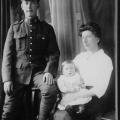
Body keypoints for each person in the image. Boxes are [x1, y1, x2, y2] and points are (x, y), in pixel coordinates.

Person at [1, 0, 60, 120]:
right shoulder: (14, 28)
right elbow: (7, 56)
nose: (29, 6)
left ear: (37, 5)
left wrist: (49, 71)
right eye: (26, 3)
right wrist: (7, 79)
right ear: (22, 6)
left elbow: (54, 53)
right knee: (8, 112)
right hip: (18, 75)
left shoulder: (47, 28)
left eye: (32, 3)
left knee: (50, 90)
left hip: (39, 73)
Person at [54, 22, 113, 120]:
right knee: (58, 114)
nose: (84, 41)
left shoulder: (105, 59)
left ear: (97, 39)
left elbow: (100, 89)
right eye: (82, 38)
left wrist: (74, 96)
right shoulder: (80, 57)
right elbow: (67, 73)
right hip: (77, 93)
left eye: (88, 37)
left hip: (95, 98)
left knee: (65, 117)